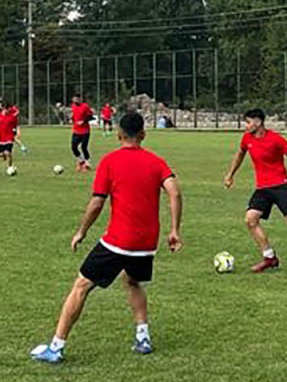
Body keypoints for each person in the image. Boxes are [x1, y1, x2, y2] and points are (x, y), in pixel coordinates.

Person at [30, 111, 183, 364]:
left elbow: (97, 203)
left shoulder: (110, 161)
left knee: (81, 286)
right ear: (143, 135)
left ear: (118, 134)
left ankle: (56, 347)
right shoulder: (157, 162)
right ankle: (143, 338)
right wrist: (175, 230)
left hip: (118, 242)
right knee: (133, 282)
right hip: (146, 243)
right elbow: (174, 193)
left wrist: (82, 231)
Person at [223, 108, 287, 275]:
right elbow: (240, 153)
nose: (246, 126)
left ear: (258, 122)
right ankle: (269, 258)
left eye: (248, 122)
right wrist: (230, 175)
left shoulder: (275, 139)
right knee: (250, 220)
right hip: (262, 188)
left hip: (280, 186)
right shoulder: (247, 138)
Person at [70, 97, 95, 172]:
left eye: (76, 99)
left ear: (80, 99)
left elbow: (90, 117)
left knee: (84, 147)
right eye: (74, 99)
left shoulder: (85, 106)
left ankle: (87, 163)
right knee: (74, 147)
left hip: (85, 131)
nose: (75, 101)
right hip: (76, 130)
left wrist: (83, 122)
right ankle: (81, 161)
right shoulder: (73, 106)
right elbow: (74, 116)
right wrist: (72, 119)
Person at [0, 102, 20, 172]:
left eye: (8, 109)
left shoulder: (12, 117)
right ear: (3, 108)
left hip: (9, 137)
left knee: (8, 153)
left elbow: (16, 125)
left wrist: (18, 132)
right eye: (6, 109)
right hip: (1, 138)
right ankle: (3, 156)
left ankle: (10, 167)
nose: (7, 110)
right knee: (0, 154)